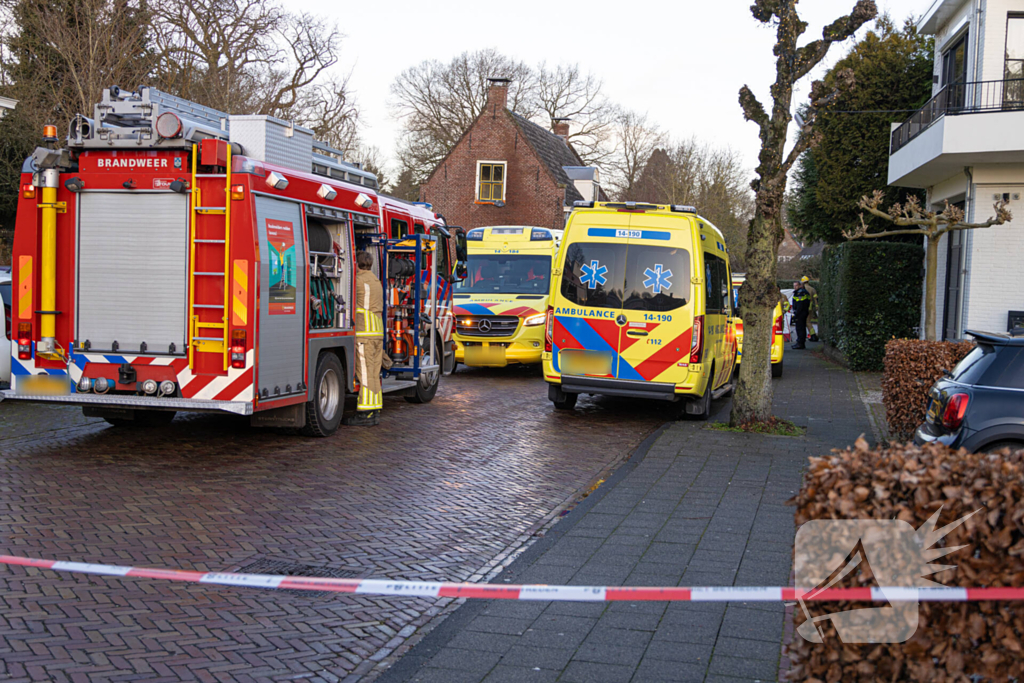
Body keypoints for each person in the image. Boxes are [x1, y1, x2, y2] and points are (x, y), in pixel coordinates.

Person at [344, 251, 384, 426]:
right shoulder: (376, 280)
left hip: (364, 333)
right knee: (374, 373)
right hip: (377, 332)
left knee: (365, 374)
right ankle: (375, 410)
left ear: (357, 264)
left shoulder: (358, 281)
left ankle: (365, 413)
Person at [791, 280, 811, 349]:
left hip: (801, 313)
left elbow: (800, 305)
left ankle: (800, 343)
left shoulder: (801, 293)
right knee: (801, 328)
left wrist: (796, 314)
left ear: (800, 285)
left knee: (800, 328)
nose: (795, 287)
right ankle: (800, 342)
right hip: (802, 312)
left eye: (796, 285)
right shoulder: (800, 292)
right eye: (794, 286)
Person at [801, 275, 819, 341]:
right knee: (808, 322)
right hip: (810, 307)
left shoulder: (802, 289)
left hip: (803, 308)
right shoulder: (812, 289)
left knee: (807, 322)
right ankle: (811, 335)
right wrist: (817, 307)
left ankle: (813, 335)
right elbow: (816, 299)